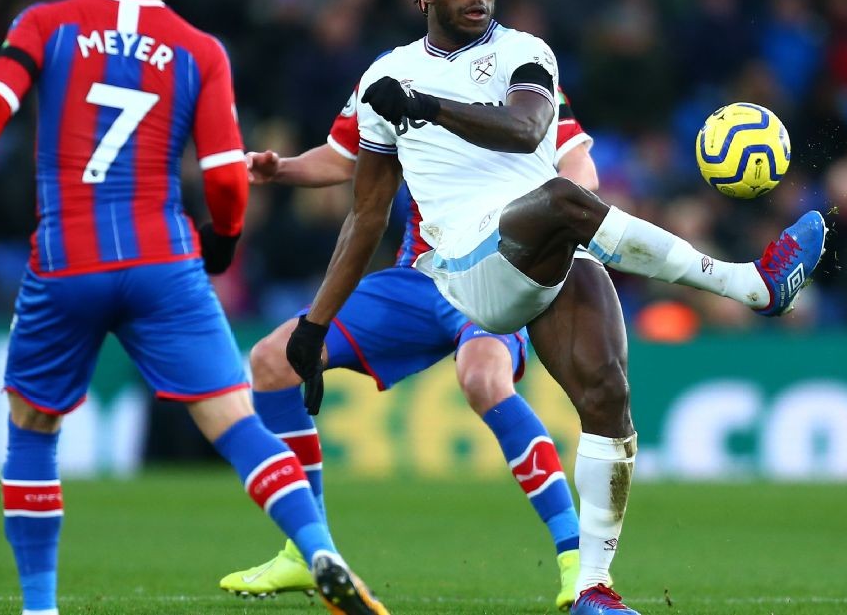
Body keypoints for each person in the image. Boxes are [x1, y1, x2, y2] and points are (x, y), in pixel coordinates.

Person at [285, 0, 828, 615]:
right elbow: (365, 217)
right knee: (570, 204)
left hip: (538, 245)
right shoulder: (381, 79)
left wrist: (426, 106)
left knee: (608, 399)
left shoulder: (523, 53)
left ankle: (593, 591)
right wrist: (315, 322)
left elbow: (525, 126)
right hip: (461, 270)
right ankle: (755, 285)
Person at [0, 0, 388, 615]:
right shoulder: (201, 49)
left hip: (66, 257)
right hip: (163, 259)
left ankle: (39, 606)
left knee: (33, 426)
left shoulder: (46, 23)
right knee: (236, 419)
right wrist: (224, 239)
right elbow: (228, 174)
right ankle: (318, 542)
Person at [219, 85, 598, 611]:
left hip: (494, 272)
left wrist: (549, 230)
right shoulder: (395, 74)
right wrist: (278, 168)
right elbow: (341, 157)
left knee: (483, 378)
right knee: (271, 360)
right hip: (418, 279)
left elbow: (580, 170)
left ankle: (577, 561)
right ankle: (308, 549)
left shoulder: (528, 76)